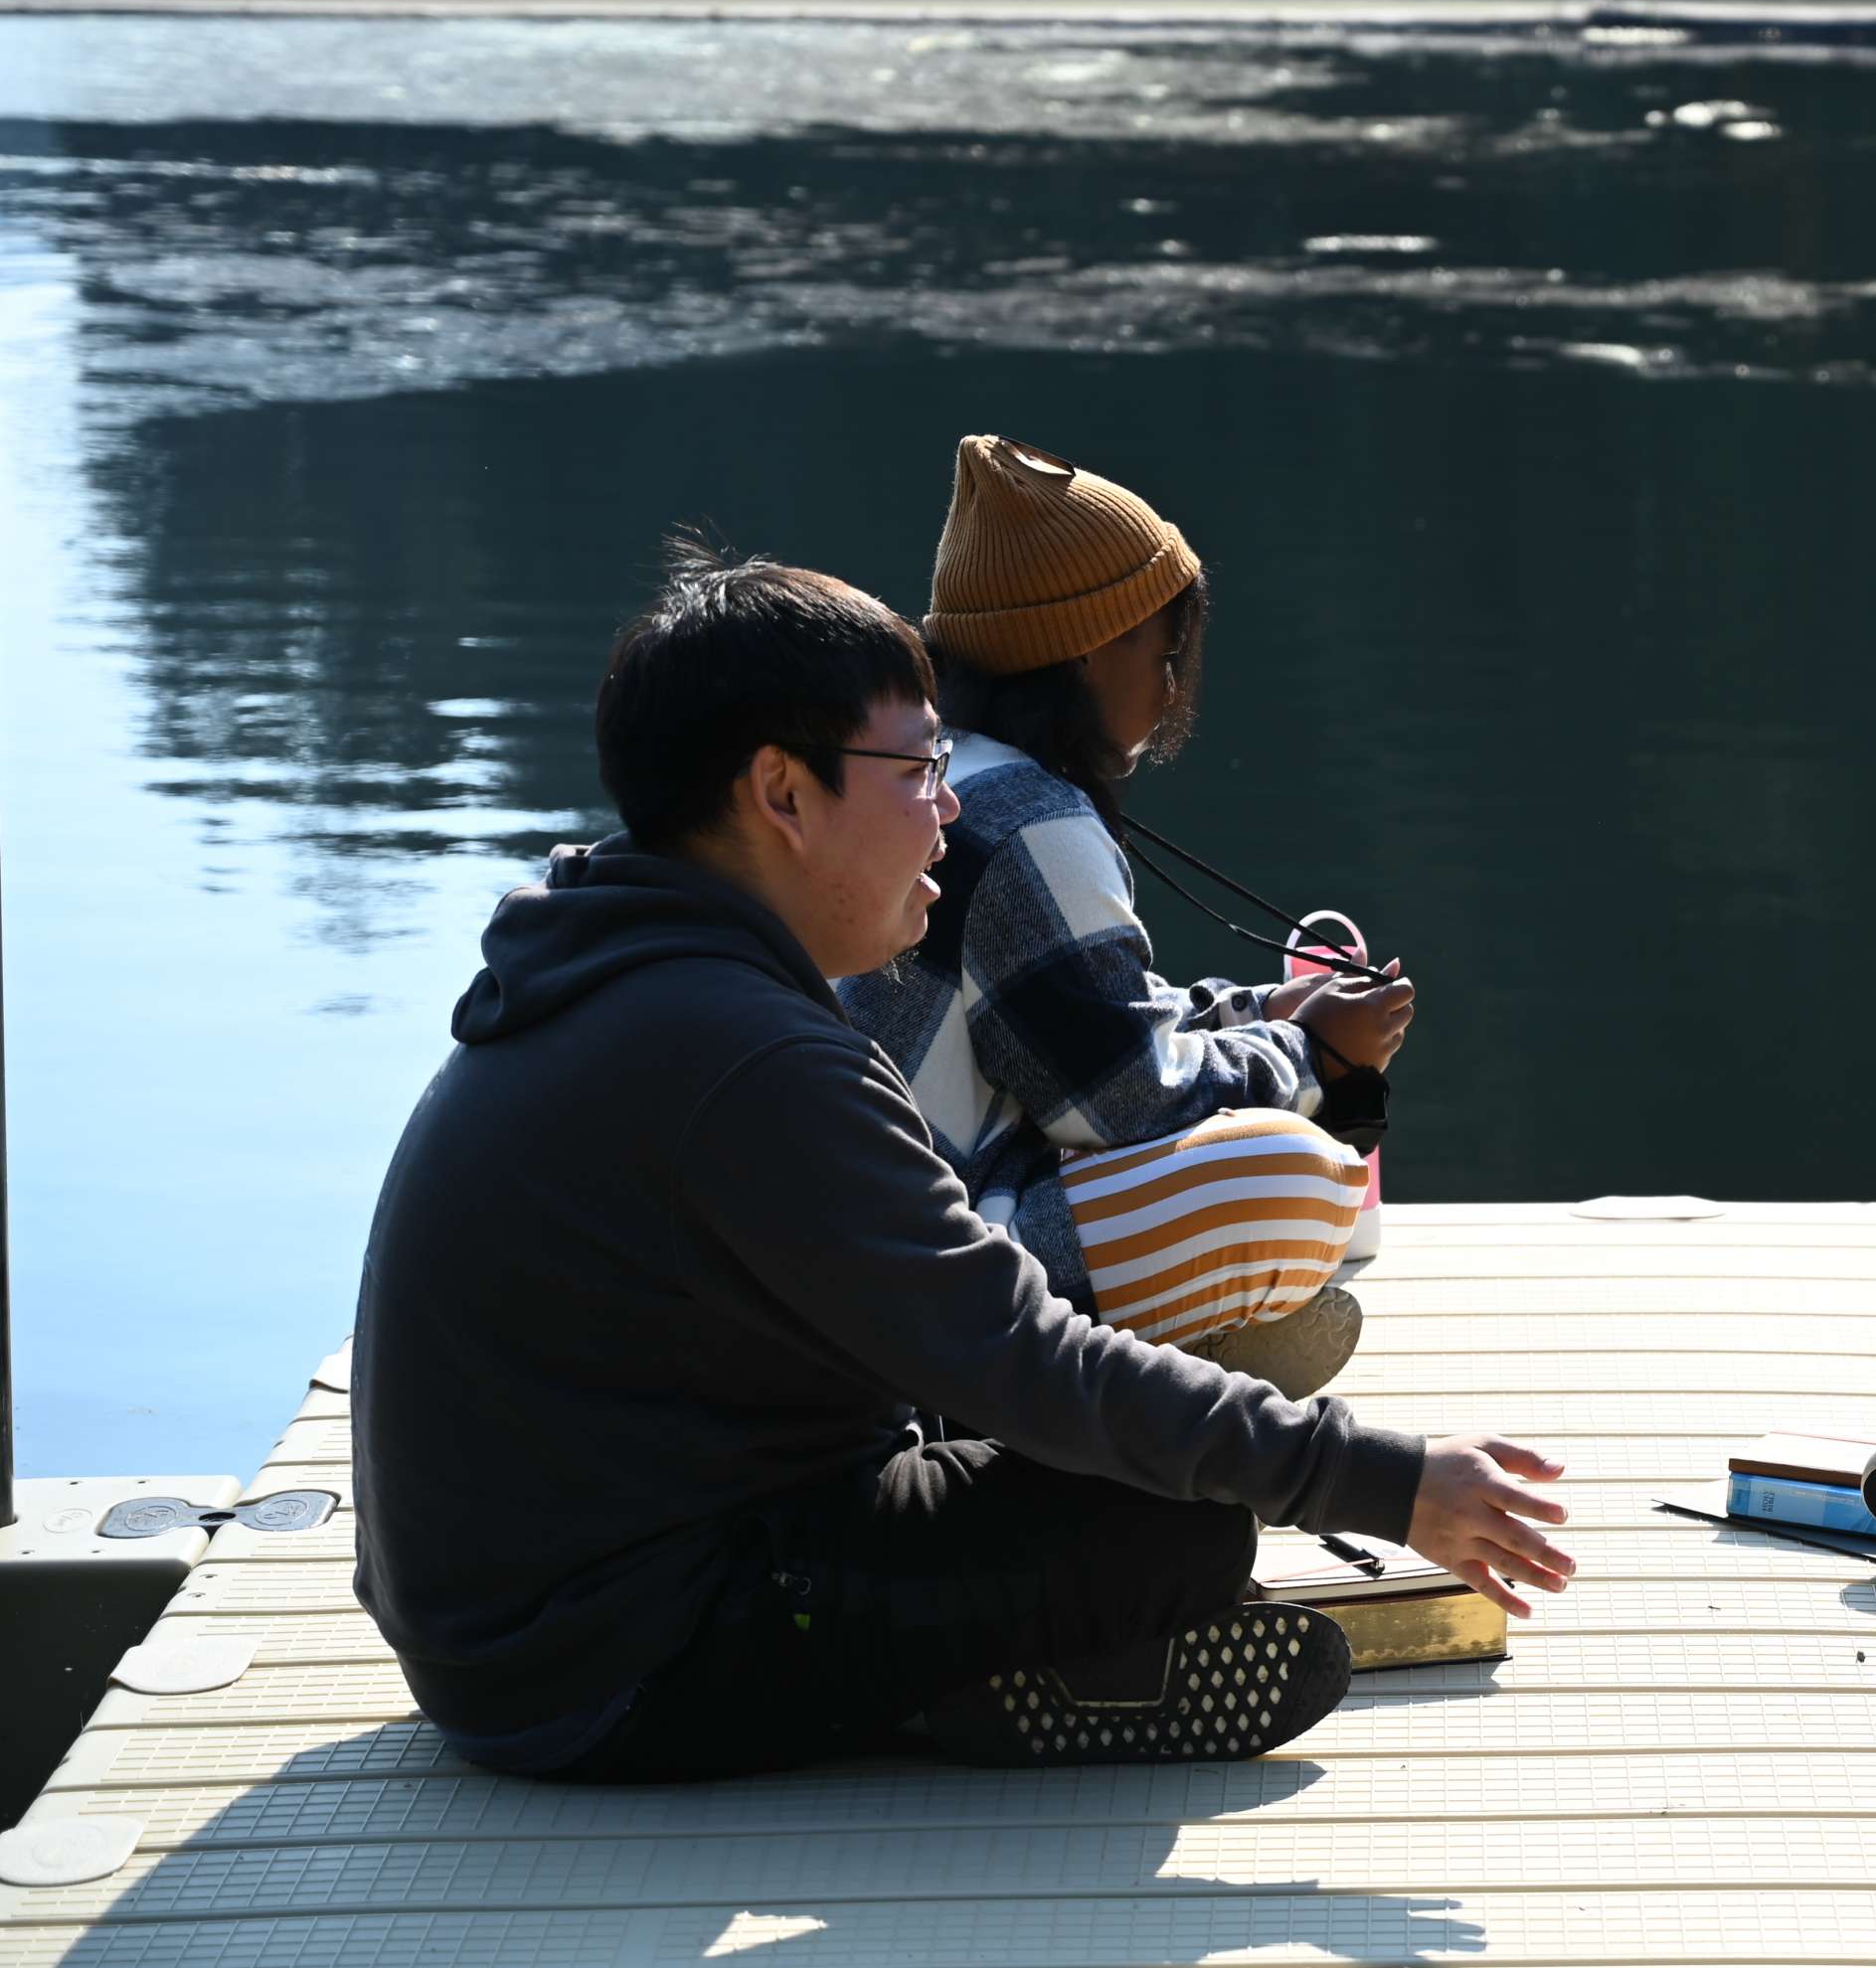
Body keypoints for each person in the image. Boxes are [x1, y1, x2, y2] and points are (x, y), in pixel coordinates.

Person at [352, 547, 1570, 1783]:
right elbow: (1019, 1357)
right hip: (614, 1666)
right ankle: (976, 1689)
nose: (947, 804)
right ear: (782, 791)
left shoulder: (635, 971)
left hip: (531, 1624)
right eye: (919, 768)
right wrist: (1381, 1479)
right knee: (1175, 1526)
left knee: (1109, 1459)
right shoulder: (742, 1055)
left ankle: (992, 1654)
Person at [842, 437, 1411, 1398]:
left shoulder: (950, 768)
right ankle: (1155, 1375)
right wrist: (1311, 1058)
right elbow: (1122, 1103)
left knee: (1266, 1146)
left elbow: (1087, 1029)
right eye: (1165, 648)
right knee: (1296, 1176)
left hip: (882, 1232)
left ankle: (1177, 1352)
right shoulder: (1035, 820)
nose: (1173, 679)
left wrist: (1258, 1011)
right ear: (1096, 646)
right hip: (933, 1285)